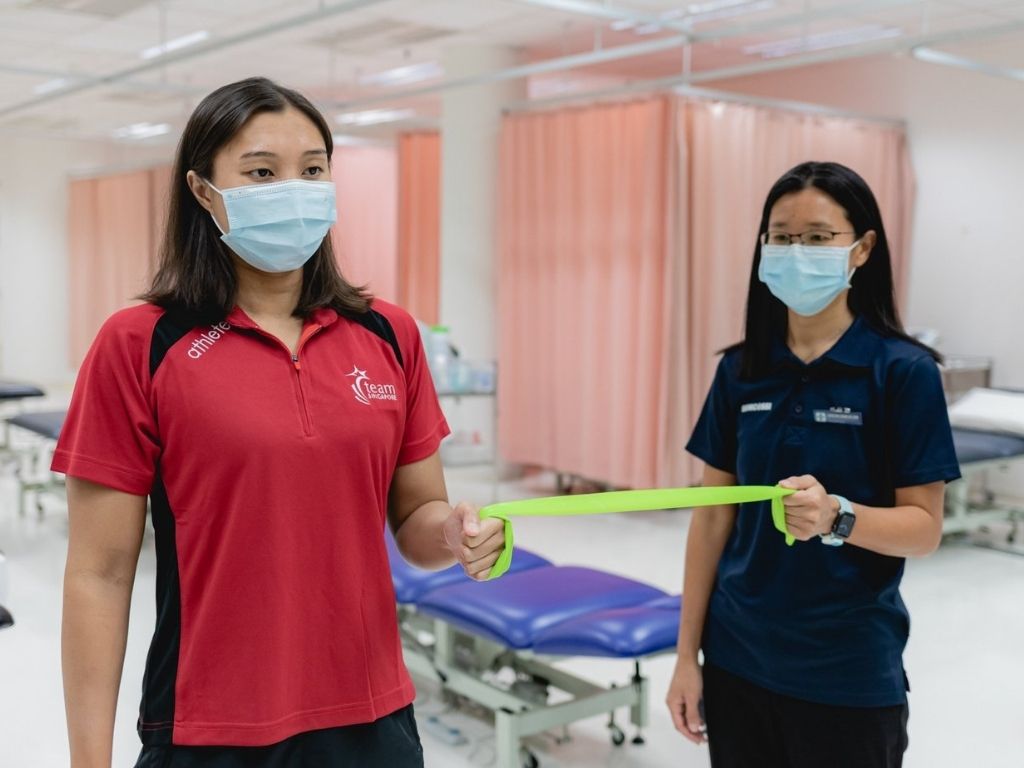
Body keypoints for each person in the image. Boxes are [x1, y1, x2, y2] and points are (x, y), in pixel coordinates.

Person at [55, 77, 505, 768]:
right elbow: (99, 573)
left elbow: (417, 516)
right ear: (204, 191)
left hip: (371, 716)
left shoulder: (389, 333)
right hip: (208, 726)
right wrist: (89, 761)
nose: (294, 189)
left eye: (313, 169)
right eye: (262, 172)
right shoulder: (140, 343)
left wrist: (453, 533)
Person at [665, 161, 960, 767]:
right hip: (737, 658)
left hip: (846, 671)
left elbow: (924, 528)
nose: (797, 251)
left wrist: (837, 517)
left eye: (819, 236)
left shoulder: (902, 372)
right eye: (782, 235)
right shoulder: (740, 370)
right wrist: (685, 657)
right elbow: (712, 520)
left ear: (862, 248)